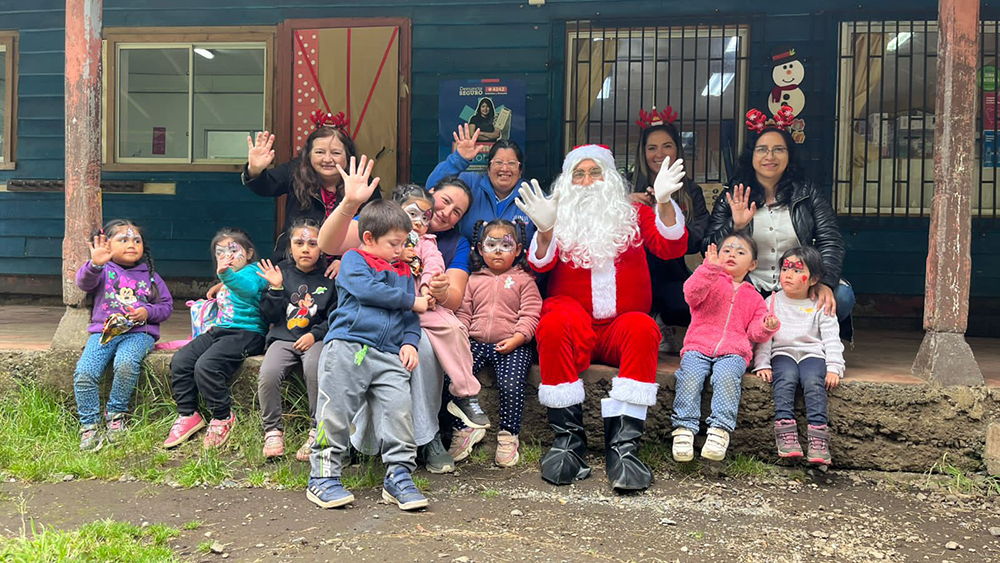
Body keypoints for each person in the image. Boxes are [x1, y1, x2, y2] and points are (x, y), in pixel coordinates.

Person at [514, 144, 689, 491]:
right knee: (553, 320)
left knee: (643, 328)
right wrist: (546, 229)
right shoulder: (557, 212)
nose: (587, 181)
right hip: (575, 322)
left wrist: (665, 203)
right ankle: (568, 443)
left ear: (609, 178)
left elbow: (672, 246)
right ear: (568, 181)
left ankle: (624, 449)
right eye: (578, 174)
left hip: (621, 325)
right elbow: (540, 264)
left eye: (595, 172)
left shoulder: (634, 214)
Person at [317, 155, 475, 475]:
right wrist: (349, 202)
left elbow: (454, 297)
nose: (445, 213)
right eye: (444, 201)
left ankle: (427, 435)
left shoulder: (452, 243)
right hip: (373, 320)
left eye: (456, 211)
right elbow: (328, 242)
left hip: (417, 319)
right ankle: (354, 439)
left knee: (424, 351)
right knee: (362, 354)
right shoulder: (379, 227)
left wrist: (438, 290)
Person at [306, 200, 431, 511]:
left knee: (400, 412)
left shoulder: (403, 271)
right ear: (369, 238)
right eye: (394, 244)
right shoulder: (352, 260)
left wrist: (411, 342)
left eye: (404, 244)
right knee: (334, 412)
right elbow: (368, 292)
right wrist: (412, 300)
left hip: (390, 355)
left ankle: (399, 476)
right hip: (348, 347)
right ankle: (322, 476)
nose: (400, 250)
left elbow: (409, 317)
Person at [704, 111, 853, 340]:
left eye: (779, 149)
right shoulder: (734, 194)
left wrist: (823, 281)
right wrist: (736, 225)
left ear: (789, 155)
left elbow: (830, 240)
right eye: (762, 149)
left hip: (799, 286)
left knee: (841, 296)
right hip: (751, 286)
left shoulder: (807, 193)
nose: (769, 156)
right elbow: (708, 245)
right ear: (751, 156)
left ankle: (795, 340)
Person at [670, 234, 780, 463]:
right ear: (717, 255)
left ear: (752, 265)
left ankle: (719, 431)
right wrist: (708, 269)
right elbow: (691, 293)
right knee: (690, 376)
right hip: (698, 345)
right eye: (727, 250)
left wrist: (766, 326)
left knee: (727, 377)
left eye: (741, 252)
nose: (732, 254)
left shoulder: (755, 297)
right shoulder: (709, 281)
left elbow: (754, 333)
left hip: (734, 351)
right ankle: (683, 429)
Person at [393, 185, 489, 432]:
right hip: (387, 305)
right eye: (412, 214)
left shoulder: (428, 242)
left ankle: (465, 394)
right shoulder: (385, 230)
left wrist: (431, 287)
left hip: (421, 304)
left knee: (453, 327)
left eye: (424, 218)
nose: (418, 222)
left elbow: (434, 264)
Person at [73, 220, 173, 451]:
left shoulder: (150, 275)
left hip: (139, 333)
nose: (131, 245)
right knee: (85, 372)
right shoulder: (101, 270)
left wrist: (147, 311)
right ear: (106, 245)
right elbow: (83, 283)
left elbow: (166, 306)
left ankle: (116, 416)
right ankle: (89, 426)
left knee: (126, 364)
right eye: (123, 240)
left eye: (136, 240)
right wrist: (95, 265)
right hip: (104, 333)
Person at [164, 228, 268, 450]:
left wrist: (225, 277)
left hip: (247, 333)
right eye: (220, 253)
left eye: (233, 250)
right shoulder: (229, 276)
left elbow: (248, 290)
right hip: (219, 329)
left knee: (207, 366)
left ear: (249, 253)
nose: (227, 257)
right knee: (181, 360)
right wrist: (223, 281)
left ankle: (222, 416)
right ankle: (188, 413)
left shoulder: (255, 271)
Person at [455, 218, 542, 467]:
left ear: (517, 250)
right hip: (475, 340)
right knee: (456, 378)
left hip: (513, 343)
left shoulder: (525, 281)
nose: (497, 251)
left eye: (505, 246)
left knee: (511, 384)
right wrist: (462, 335)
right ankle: (466, 427)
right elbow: (463, 312)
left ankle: (508, 434)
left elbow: (531, 313)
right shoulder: (473, 280)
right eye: (491, 245)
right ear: (480, 249)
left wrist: (517, 338)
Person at [240, 116, 381, 264]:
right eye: (319, 152)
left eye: (336, 153)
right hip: (295, 261)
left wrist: (345, 260)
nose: (327, 159)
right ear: (308, 155)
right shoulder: (295, 171)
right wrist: (255, 170)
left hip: (344, 263)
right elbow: (266, 186)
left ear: (348, 156)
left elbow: (374, 228)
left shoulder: (362, 182)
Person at [754, 246, 844, 466]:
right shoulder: (771, 303)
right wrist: (762, 364)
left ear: (813, 279)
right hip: (783, 353)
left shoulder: (820, 304)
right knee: (785, 379)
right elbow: (765, 338)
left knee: (813, 381)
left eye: (796, 270)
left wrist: (834, 367)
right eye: (785, 269)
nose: (788, 275)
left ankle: (818, 439)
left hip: (812, 354)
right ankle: (786, 433)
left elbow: (831, 337)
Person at [256, 219, 338, 460]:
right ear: (290, 246)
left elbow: (335, 315)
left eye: (313, 243)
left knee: (315, 368)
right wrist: (276, 288)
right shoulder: (280, 272)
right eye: (299, 243)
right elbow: (268, 315)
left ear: (322, 246)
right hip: (283, 338)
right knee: (268, 374)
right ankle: (272, 430)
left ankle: (317, 428)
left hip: (316, 339)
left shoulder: (329, 275)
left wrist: (315, 334)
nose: (305, 248)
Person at [631, 107, 710, 353]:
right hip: (634, 273)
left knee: (688, 305)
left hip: (672, 272)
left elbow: (699, 237)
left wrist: (669, 219)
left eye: (667, 146)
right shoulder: (628, 186)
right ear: (643, 153)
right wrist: (624, 201)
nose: (659, 154)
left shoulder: (691, 191)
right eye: (651, 148)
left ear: (677, 150)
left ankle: (664, 322)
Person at [426, 124, 533, 242]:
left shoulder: (533, 196)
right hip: (468, 259)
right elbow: (432, 189)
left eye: (512, 163)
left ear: (520, 171)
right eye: (498, 162)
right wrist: (459, 159)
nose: (504, 168)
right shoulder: (471, 183)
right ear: (488, 168)